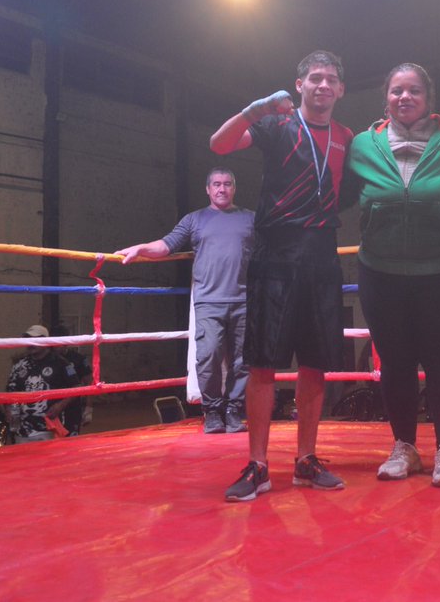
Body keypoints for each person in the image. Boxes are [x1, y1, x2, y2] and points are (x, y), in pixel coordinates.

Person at [209, 50, 354, 501]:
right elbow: (220, 145)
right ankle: (257, 465)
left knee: (316, 362)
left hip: (321, 255)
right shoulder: (277, 125)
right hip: (275, 253)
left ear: (341, 89)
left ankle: (306, 459)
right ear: (299, 84)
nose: (323, 85)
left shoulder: (347, 136)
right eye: (315, 77)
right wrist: (257, 108)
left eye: (331, 78)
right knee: (263, 361)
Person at [342, 62, 440, 487]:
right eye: (397, 90)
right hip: (381, 271)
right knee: (395, 362)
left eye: (414, 90)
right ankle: (404, 445)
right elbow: (332, 192)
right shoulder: (363, 144)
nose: (405, 97)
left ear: (428, 98)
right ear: (386, 98)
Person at [118, 168, 255, 435]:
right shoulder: (195, 219)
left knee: (243, 360)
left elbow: (272, 249)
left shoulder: (250, 219)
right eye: (216, 184)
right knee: (208, 356)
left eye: (227, 184)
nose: (222, 189)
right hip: (208, 301)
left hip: (244, 300)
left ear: (234, 188)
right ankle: (212, 411)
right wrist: (140, 248)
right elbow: (166, 245)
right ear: (208, 189)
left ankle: (234, 410)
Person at [5, 324, 80, 442]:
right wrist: (9, 409)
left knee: (48, 459)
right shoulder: (19, 365)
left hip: (48, 426)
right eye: (28, 339)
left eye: (35, 339)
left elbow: (77, 387)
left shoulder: (62, 363)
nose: (31, 343)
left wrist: (60, 405)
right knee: (23, 459)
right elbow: (10, 390)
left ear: (45, 341)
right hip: (22, 428)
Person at [52, 323, 93, 436]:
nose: (57, 346)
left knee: (71, 439)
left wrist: (89, 408)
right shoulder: (48, 359)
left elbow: (89, 382)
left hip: (72, 407)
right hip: (52, 406)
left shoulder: (78, 359)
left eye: (60, 343)